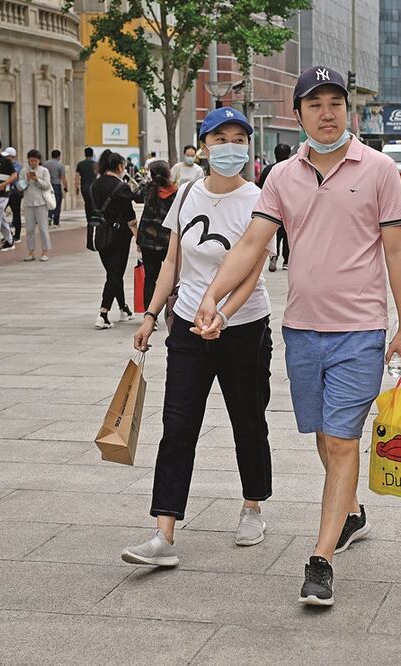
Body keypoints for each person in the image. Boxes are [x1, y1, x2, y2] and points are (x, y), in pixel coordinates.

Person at [192, 66, 401, 608]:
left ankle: (321, 560)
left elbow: (396, 251)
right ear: (298, 115)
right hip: (302, 330)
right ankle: (351, 512)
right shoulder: (281, 177)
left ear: (348, 109)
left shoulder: (380, 170)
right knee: (322, 434)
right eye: (314, 104)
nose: (326, 113)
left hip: (360, 331)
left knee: (341, 440)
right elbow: (253, 243)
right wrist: (212, 295)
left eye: (335, 102)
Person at [123, 107, 276, 567]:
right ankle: (163, 532)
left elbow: (252, 272)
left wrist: (224, 315)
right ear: (204, 146)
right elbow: (172, 262)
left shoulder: (258, 199)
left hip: (244, 327)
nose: (230, 147)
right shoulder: (188, 193)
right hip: (188, 325)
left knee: (247, 420)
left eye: (238, 139)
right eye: (220, 138)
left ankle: (252, 507)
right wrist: (151, 314)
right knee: (178, 425)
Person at [90, 150, 137, 329]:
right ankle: (103, 313)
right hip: (119, 236)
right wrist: (138, 237)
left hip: (100, 234)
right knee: (115, 273)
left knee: (113, 272)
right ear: (119, 166)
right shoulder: (121, 187)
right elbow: (130, 217)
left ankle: (124, 308)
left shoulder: (95, 184)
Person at [134, 160, 176, 313]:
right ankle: (172, 311)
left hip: (147, 241)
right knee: (172, 277)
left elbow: (135, 196)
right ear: (168, 173)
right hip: (168, 241)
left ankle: (150, 313)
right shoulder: (175, 192)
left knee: (150, 278)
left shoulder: (147, 189)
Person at [258, 143, 291, 272]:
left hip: (271, 209)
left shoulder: (268, 170)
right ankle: (287, 261)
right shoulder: (293, 169)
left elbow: (260, 187)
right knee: (288, 234)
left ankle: (273, 256)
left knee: (274, 234)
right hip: (288, 208)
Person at [18, 149, 53, 262]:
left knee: (43, 228)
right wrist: (27, 180)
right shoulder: (24, 171)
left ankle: (45, 251)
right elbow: (20, 187)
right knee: (29, 229)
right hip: (28, 203)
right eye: (31, 160)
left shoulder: (44, 171)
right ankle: (31, 251)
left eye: (35, 161)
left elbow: (47, 185)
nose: (33, 163)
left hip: (41, 202)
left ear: (39, 161)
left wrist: (37, 180)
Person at [2, 147, 23, 243]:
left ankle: (17, 235)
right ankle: (8, 233)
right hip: (5, 192)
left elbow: (13, 177)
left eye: (7, 156)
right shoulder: (5, 164)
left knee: (16, 213)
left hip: (15, 193)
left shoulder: (17, 166)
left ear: (12, 157)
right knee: (0, 212)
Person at [44, 149, 67, 226]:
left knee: (48, 202)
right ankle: (56, 220)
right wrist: (66, 187)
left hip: (47, 185)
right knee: (57, 203)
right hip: (56, 185)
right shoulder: (60, 165)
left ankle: (49, 217)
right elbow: (63, 177)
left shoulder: (45, 164)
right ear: (58, 156)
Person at [75, 147, 98, 222]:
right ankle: (94, 218)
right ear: (92, 154)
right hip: (94, 187)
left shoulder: (80, 164)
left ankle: (88, 219)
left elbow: (77, 177)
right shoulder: (95, 164)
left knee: (87, 203)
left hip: (84, 187)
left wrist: (76, 187)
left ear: (85, 154)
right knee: (94, 203)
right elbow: (98, 175)